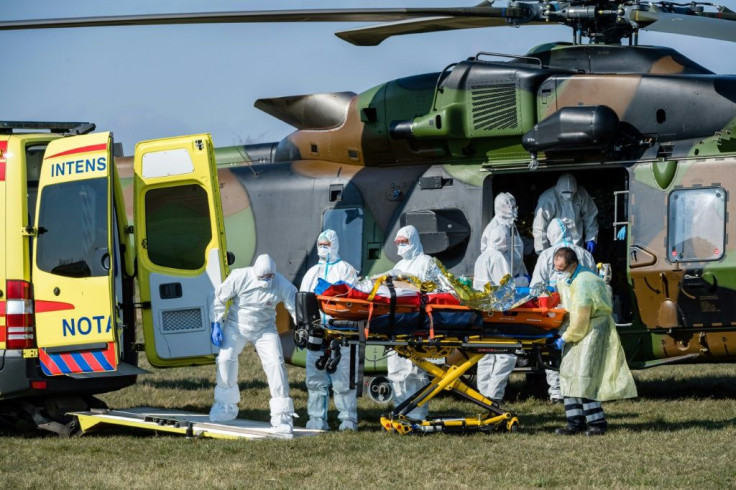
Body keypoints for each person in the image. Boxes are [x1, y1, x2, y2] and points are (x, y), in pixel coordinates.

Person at [209, 254, 298, 436]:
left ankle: (282, 415)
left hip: (265, 329)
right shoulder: (239, 277)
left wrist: (302, 325)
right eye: (262, 277)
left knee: (275, 364)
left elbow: (294, 304)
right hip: (235, 326)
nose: (266, 281)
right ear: (255, 273)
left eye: (269, 277)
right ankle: (225, 406)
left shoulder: (280, 283)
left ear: (274, 274)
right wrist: (216, 323)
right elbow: (219, 297)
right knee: (225, 359)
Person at [552, 247, 637, 435]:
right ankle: (574, 422)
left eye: (561, 268)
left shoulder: (584, 283)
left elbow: (581, 318)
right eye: (556, 268)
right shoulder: (573, 278)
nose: (558, 272)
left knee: (584, 377)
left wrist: (565, 337)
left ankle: (597, 423)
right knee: (568, 376)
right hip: (579, 331)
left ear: (573, 265)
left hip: (591, 332)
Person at [530, 219, 596, 403]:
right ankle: (580, 390)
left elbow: (536, 287)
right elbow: (594, 282)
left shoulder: (547, 255)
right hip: (580, 310)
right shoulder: (583, 253)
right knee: (580, 353)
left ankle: (557, 393)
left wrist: (547, 295)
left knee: (553, 353)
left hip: (554, 313)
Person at [300, 230, 359, 431]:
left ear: (334, 245)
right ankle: (316, 419)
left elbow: (353, 301)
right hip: (317, 332)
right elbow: (302, 301)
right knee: (315, 379)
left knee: (343, 380)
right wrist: (302, 327)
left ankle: (348, 420)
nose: (323, 248)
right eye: (320, 244)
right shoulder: (312, 272)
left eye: (326, 244)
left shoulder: (346, 270)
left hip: (341, 332)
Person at [384, 225, 439, 420]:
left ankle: (417, 414)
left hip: (417, 323)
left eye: (404, 242)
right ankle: (401, 411)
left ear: (413, 241)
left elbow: (436, 290)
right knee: (397, 370)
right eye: (398, 243)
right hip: (398, 322)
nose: (400, 246)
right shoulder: (399, 267)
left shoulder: (427, 263)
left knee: (414, 371)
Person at [473, 225, 525, 404]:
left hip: (483, 312)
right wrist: (524, 280)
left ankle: (482, 394)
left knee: (486, 354)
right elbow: (506, 285)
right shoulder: (497, 257)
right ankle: (494, 395)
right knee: (506, 354)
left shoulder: (481, 257)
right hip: (499, 313)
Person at [532, 173, 599, 255]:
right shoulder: (547, 199)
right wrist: (542, 251)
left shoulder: (581, 194)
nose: (569, 195)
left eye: (571, 192)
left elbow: (590, 216)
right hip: (554, 247)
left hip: (577, 244)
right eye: (565, 192)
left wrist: (591, 238)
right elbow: (540, 226)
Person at [480, 192, 525, 280]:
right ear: (503, 208)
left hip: (514, 268)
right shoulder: (496, 227)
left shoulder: (510, 223)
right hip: (503, 269)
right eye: (511, 207)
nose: (515, 210)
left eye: (515, 207)